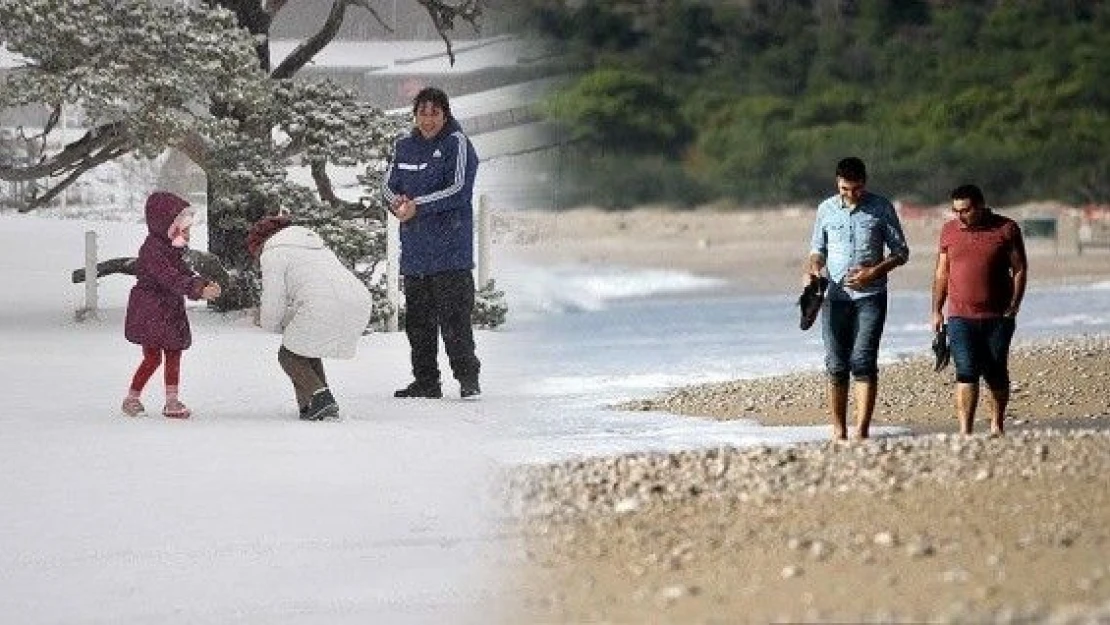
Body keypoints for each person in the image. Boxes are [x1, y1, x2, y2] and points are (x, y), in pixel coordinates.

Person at [382, 86, 482, 400]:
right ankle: (426, 381)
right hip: (416, 254)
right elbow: (387, 185)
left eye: (434, 114)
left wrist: (418, 206)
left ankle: (467, 379)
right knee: (419, 325)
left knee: (455, 323)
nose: (428, 121)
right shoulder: (403, 147)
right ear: (415, 115)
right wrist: (396, 204)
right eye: (422, 114)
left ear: (445, 114)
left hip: (450, 253)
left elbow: (459, 189)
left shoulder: (458, 144)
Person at [804, 157, 910, 440]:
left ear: (865, 182)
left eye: (857, 189)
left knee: (863, 361)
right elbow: (817, 249)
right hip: (834, 297)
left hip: (871, 296)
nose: (852, 195)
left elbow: (901, 252)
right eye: (845, 189)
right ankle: (839, 430)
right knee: (836, 364)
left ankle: (862, 430)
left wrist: (874, 272)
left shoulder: (881, 207)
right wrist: (814, 267)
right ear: (838, 184)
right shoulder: (825, 209)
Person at [247, 215, 374, 421]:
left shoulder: (273, 253)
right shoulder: (314, 245)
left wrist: (266, 321)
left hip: (323, 304)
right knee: (304, 349)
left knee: (288, 355)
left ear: (260, 243)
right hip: (359, 300)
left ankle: (321, 398)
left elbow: (274, 299)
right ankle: (311, 405)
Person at [931, 184, 1027, 436]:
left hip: (998, 316)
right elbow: (942, 272)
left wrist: (1015, 305)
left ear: (981, 205)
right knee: (966, 370)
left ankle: (997, 424)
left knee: (995, 372)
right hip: (960, 315)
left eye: (966, 210)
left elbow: (1019, 268)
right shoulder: (949, 230)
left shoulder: (1006, 228)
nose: (960, 216)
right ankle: (966, 431)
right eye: (956, 211)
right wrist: (937, 309)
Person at [122, 191, 222, 418]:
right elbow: (169, 277)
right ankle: (132, 397)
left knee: (174, 352)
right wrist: (196, 289)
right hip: (150, 310)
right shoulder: (152, 251)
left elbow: (184, 273)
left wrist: (203, 285)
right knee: (153, 357)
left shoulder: (173, 249)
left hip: (169, 309)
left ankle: (172, 400)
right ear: (167, 227)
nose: (187, 235)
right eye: (183, 229)